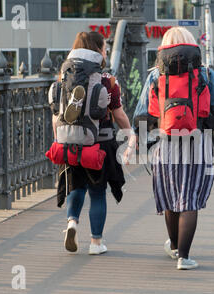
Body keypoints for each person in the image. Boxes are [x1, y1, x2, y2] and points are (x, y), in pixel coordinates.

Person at [133, 27, 214, 270]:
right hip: (197, 143)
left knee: (170, 198)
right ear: (192, 46)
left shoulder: (155, 75)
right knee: (189, 199)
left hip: (165, 144)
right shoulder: (205, 73)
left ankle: (175, 247)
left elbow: (142, 113)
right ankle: (184, 258)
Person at [51, 32, 136, 255]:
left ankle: (71, 222)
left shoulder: (64, 77)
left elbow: (55, 115)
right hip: (100, 143)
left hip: (70, 140)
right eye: (104, 48)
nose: (106, 52)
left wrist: (60, 139)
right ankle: (96, 243)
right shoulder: (107, 80)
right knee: (97, 193)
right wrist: (130, 134)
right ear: (97, 50)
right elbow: (118, 114)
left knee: (75, 187)